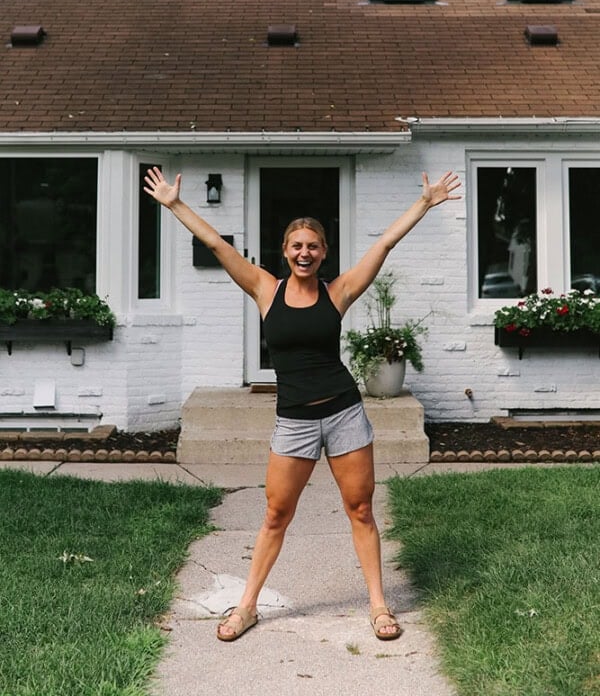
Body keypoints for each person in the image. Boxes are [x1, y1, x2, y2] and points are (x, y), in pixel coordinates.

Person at [143, 167, 461, 643]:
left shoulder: (339, 293)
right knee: (275, 515)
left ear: (324, 252)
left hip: (344, 414)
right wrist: (174, 204)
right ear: (285, 252)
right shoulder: (264, 290)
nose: (304, 252)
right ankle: (247, 606)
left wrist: (425, 202)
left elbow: (383, 246)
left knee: (360, 509)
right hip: (294, 420)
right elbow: (216, 245)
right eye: (296, 246)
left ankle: (378, 605)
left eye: (313, 245)